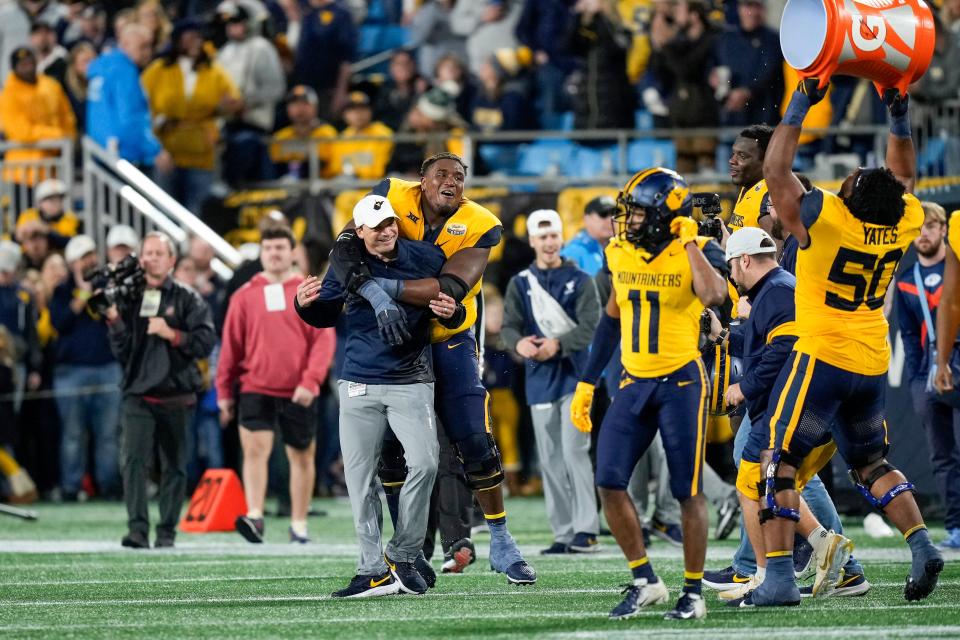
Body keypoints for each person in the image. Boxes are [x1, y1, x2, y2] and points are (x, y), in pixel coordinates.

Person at [756, 79, 942, 605]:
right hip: (870, 358)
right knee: (872, 464)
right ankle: (921, 543)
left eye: (852, 179)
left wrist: (799, 103)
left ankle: (778, 579)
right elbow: (902, 175)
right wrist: (898, 115)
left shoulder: (829, 219)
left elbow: (775, 171)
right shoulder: (902, 218)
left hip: (821, 355)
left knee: (779, 461)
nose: (848, 178)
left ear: (852, 198)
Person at [329, 152, 537, 585]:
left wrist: (374, 287)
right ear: (421, 181)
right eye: (441, 174)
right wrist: (353, 288)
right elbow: (346, 248)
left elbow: (449, 286)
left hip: (448, 339)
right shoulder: (389, 195)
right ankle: (410, 550)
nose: (451, 182)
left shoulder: (480, 222)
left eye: (459, 177)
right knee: (389, 453)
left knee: (475, 441)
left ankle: (500, 539)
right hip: (397, 342)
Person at [570, 167, 728, 620]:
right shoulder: (618, 250)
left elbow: (715, 294)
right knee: (609, 480)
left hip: (681, 382)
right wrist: (587, 380)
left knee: (686, 489)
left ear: (664, 213)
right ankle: (645, 580)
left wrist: (692, 243)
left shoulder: (697, 248)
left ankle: (693, 592)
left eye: (638, 213)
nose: (629, 221)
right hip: (633, 381)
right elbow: (611, 317)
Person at [295, 195, 451, 596]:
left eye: (391, 224)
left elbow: (452, 301)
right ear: (359, 231)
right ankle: (370, 568)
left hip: (411, 379)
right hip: (359, 381)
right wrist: (302, 306)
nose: (386, 232)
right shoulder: (347, 262)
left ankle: (402, 553)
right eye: (377, 227)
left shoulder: (424, 257)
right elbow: (325, 313)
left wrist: (455, 311)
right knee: (360, 479)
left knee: (426, 464)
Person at [707, 227, 866, 604]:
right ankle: (825, 550)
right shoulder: (776, 286)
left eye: (732, 265)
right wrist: (725, 337)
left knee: (752, 483)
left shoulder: (776, 290)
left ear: (744, 260)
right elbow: (767, 341)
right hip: (809, 402)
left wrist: (744, 388)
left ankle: (767, 573)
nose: (731, 275)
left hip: (793, 404)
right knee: (780, 484)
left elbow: (784, 349)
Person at [217, 226, 335, 544]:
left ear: (292, 252)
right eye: (268, 248)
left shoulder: (309, 290)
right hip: (255, 385)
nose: (274, 253)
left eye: (280, 247)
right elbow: (230, 347)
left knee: (302, 456)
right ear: (261, 252)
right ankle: (255, 516)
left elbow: (323, 340)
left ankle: (299, 525)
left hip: (299, 389)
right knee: (254, 453)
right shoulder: (244, 295)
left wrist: (311, 381)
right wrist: (224, 392)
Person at [105, 231, 216, 549]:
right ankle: (137, 530)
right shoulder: (129, 296)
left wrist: (174, 334)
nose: (150, 258)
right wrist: (114, 321)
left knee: (175, 466)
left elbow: (206, 342)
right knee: (134, 462)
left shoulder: (187, 297)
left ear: (171, 260)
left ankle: (166, 531)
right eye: (146, 253)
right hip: (138, 392)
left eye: (157, 253)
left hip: (176, 394)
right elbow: (123, 351)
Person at [501, 209, 601, 553]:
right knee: (550, 459)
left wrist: (559, 344)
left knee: (575, 451)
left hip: (576, 376)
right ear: (532, 241)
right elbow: (509, 326)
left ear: (561, 238)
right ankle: (563, 532)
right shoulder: (520, 283)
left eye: (553, 236)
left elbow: (592, 325)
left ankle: (586, 530)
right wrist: (519, 343)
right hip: (539, 381)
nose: (548, 243)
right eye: (542, 237)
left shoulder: (581, 281)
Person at [895, 202, 960, 550]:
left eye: (931, 227)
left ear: (944, 230)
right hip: (926, 373)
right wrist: (918, 379)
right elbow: (908, 336)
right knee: (941, 456)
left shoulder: (957, 269)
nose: (924, 235)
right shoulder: (907, 280)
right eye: (919, 229)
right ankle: (956, 526)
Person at [141, 19, 242, 214]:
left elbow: (234, 99)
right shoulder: (159, 69)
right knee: (164, 210)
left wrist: (225, 107)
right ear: (178, 41)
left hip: (201, 150)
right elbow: (140, 101)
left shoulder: (213, 71)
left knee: (199, 211)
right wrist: (158, 122)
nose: (194, 43)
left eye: (197, 38)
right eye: (189, 38)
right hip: (167, 149)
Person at [50, 235, 122, 501]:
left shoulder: (106, 286)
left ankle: (109, 485)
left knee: (108, 435)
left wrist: (96, 292)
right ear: (72, 263)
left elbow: (112, 318)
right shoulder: (61, 290)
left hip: (107, 368)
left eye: (91, 255)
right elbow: (60, 323)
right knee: (72, 435)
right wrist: (81, 292)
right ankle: (71, 486)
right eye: (83, 257)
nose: (89, 261)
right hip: (71, 372)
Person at [216, 1, 286, 185]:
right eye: (230, 23)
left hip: (254, 124)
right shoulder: (225, 52)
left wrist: (245, 102)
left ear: (249, 23)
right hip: (227, 123)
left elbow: (275, 88)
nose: (233, 27)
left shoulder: (261, 47)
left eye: (237, 22)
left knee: (243, 145)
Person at [86, 24, 172, 172]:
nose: (148, 52)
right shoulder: (124, 71)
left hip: (100, 153)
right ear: (125, 45)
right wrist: (154, 150)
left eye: (149, 47)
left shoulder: (102, 69)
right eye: (143, 47)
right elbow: (131, 117)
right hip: (126, 157)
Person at [0, 46, 76, 189]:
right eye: (22, 65)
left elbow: (67, 116)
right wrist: (57, 135)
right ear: (14, 68)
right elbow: (22, 132)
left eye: (30, 63)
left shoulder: (50, 85)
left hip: (52, 168)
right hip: (21, 172)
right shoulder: (9, 94)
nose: (28, 68)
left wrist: (67, 136)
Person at [564, 0, 635, 130]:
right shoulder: (587, 29)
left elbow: (614, 47)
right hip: (586, 113)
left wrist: (602, 16)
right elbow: (568, 46)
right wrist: (577, 17)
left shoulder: (620, 27)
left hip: (614, 111)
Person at [712, 0, 783, 127]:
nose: (752, 12)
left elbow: (768, 71)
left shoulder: (773, 40)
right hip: (729, 119)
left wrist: (748, 92)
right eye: (748, 6)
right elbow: (712, 66)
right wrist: (712, 78)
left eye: (757, 6)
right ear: (739, 8)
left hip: (764, 120)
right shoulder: (725, 39)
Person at [292, 0, 356, 119]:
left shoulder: (341, 13)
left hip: (327, 88)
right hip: (299, 84)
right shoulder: (302, 8)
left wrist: (340, 91)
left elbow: (346, 59)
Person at [270, 85, 337, 180]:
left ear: (315, 107)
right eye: (294, 104)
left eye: (305, 103)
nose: (300, 108)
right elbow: (276, 168)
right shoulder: (281, 136)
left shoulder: (326, 133)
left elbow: (325, 165)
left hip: (323, 185)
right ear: (288, 109)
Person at [326, 91, 394, 180]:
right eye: (353, 110)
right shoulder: (342, 139)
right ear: (345, 115)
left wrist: (356, 172)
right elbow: (336, 169)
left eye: (363, 109)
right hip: (347, 188)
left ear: (370, 111)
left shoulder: (382, 133)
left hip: (375, 186)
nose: (358, 114)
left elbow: (379, 171)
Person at [726, 125, 774, 236]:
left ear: (767, 159)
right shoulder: (747, 187)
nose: (732, 161)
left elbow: (778, 250)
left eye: (742, 156)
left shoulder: (770, 197)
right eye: (734, 154)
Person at [15, 179, 80, 250]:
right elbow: (14, 240)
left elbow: (71, 244)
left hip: (58, 256)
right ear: (40, 203)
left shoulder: (70, 218)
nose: (56, 203)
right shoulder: (28, 215)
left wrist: (46, 230)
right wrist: (20, 234)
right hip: (28, 257)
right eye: (50, 200)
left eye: (59, 199)